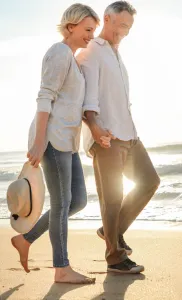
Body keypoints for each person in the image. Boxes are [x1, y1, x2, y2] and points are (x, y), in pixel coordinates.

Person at [11, 3, 99, 284]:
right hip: (51, 139)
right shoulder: (59, 52)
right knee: (62, 204)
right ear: (70, 26)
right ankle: (61, 269)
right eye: (87, 29)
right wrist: (38, 142)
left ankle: (25, 239)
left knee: (78, 201)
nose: (90, 36)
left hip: (67, 141)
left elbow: (71, 104)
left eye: (93, 31)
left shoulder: (73, 59)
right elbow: (44, 97)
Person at [77, 1, 160, 274]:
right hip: (107, 136)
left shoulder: (116, 53)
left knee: (150, 181)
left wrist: (133, 133)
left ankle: (111, 231)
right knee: (112, 197)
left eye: (129, 27)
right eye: (122, 25)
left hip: (129, 133)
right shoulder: (92, 50)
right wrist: (95, 127)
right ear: (107, 19)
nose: (124, 31)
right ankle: (115, 258)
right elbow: (87, 96)